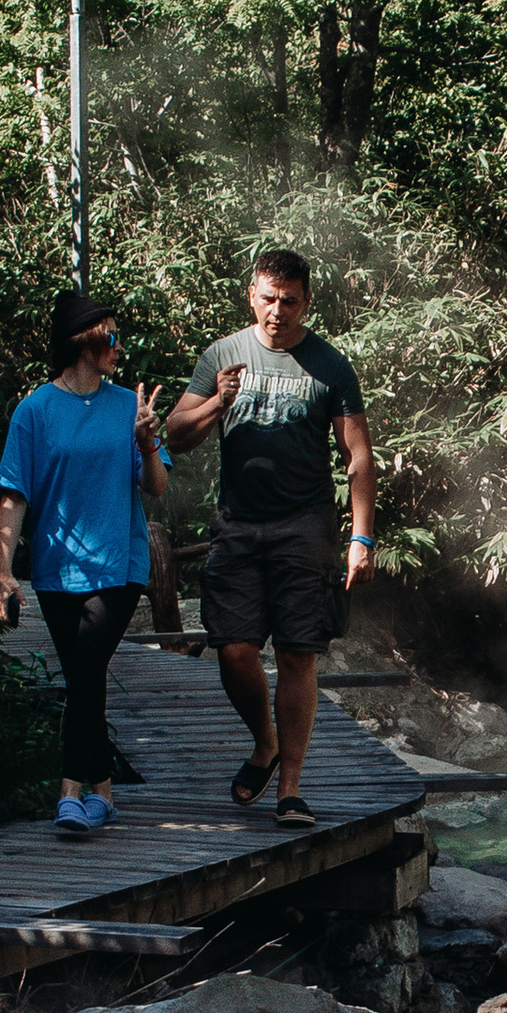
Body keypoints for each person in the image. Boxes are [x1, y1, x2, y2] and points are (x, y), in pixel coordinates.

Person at [164, 246, 375, 829]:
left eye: (289, 301)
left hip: (305, 526)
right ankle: (266, 742)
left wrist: (362, 538)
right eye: (267, 298)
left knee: (297, 652)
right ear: (251, 295)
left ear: (306, 302)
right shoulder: (223, 354)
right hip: (237, 523)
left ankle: (290, 787)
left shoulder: (329, 365)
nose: (277, 311)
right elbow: (175, 436)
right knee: (233, 648)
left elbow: (358, 457)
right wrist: (217, 400)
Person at [0, 287, 170, 837]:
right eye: (109, 335)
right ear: (81, 342)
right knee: (83, 678)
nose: (118, 344)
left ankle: (69, 794)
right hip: (55, 568)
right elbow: (14, 496)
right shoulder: (35, 411)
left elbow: (157, 488)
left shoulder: (127, 407)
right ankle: (104, 794)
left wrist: (145, 443)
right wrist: (3, 570)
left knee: (86, 670)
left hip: (120, 563)